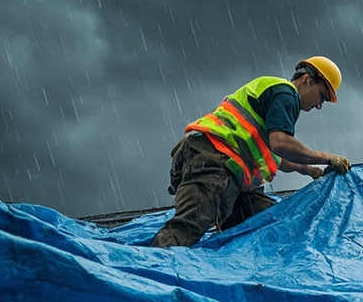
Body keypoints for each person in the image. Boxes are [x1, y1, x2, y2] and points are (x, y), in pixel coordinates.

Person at [150, 56, 352, 248]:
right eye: (321, 96)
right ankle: (151, 272)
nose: (319, 105)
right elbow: (280, 144)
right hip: (213, 158)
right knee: (188, 226)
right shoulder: (286, 93)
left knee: (267, 224)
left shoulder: (276, 102)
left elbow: (276, 156)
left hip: (228, 173)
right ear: (307, 80)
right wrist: (327, 157)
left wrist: (309, 170)